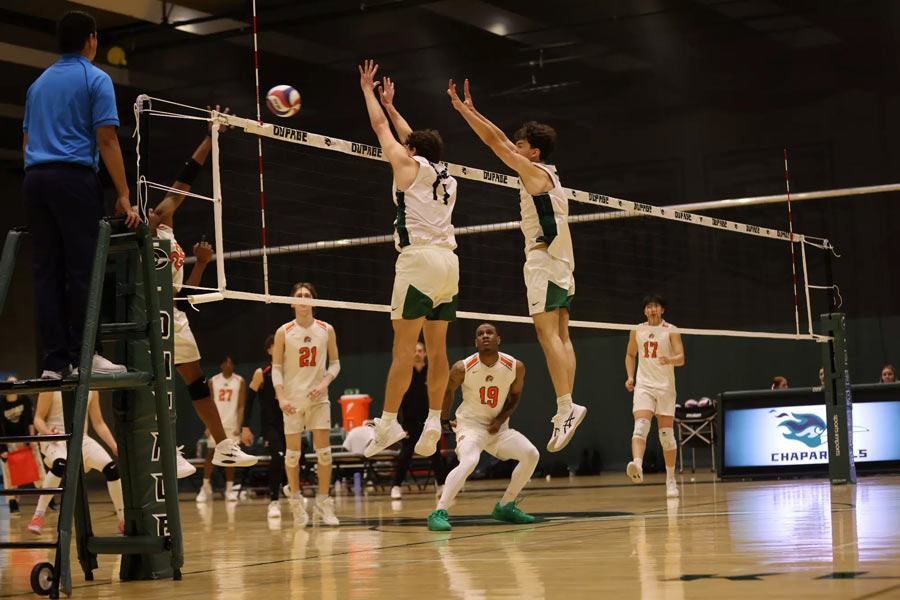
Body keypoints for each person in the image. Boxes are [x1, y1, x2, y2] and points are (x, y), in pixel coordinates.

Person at [447, 79, 586, 452]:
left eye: (521, 145)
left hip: (544, 259)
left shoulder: (535, 173)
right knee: (561, 334)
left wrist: (465, 111)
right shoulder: (551, 176)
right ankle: (567, 406)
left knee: (547, 336)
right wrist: (471, 110)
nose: (515, 149)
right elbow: (502, 142)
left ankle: (565, 406)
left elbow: (495, 143)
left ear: (534, 152)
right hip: (563, 260)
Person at [22, 10, 139, 379]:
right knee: (84, 269)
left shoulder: (37, 84)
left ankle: (56, 363)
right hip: (72, 181)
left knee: (47, 273)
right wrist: (123, 194)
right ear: (91, 39)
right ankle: (87, 355)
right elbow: (106, 139)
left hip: (35, 180)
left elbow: (26, 143)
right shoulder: (96, 78)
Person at [143, 115, 257, 473]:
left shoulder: (163, 221)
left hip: (175, 315)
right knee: (158, 385)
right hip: (153, 320)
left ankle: (224, 445)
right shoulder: (135, 245)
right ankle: (166, 451)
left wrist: (211, 137)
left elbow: (186, 179)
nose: (142, 211)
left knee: (196, 384)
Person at [357, 61, 459, 460]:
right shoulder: (448, 176)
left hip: (417, 262)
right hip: (450, 264)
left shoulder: (405, 165)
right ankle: (434, 421)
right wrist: (393, 104)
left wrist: (369, 92)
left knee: (403, 350)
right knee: (437, 350)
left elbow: (383, 130)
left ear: (413, 151)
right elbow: (410, 136)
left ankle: (387, 423)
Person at [427, 323, 539, 532]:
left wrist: (499, 420)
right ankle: (439, 511)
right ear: (475, 342)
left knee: (531, 454)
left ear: (498, 339)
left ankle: (506, 505)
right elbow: (448, 391)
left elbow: (515, 396)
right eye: (480, 334)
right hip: (470, 427)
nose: (485, 336)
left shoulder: (515, 366)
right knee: (470, 460)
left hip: (499, 429)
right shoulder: (463, 367)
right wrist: (444, 420)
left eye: (489, 333)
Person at [271, 283, 341, 527]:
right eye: (298, 296)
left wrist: (324, 384)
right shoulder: (283, 332)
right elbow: (276, 368)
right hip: (292, 400)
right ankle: (297, 505)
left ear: (314, 301)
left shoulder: (326, 329)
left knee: (324, 453)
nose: (303, 299)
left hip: (318, 399)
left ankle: (324, 503)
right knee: (292, 456)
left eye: (307, 295)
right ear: (291, 302)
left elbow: (335, 364)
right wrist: (281, 397)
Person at [27, 391, 124, 535]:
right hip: (54, 437)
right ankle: (38, 516)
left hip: (81, 439)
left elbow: (98, 423)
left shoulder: (91, 389)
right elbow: (38, 419)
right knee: (61, 464)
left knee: (111, 468)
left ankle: (123, 520)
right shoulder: (53, 383)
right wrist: (48, 432)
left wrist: (114, 445)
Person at [624, 294, 685, 498]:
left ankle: (670, 480)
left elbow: (681, 358)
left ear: (662, 310)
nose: (652, 310)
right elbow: (630, 354)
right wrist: (630, 377)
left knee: (666, 436)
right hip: (644, 386)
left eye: (656, 306)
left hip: (665, 387)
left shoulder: (671, 330)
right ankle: (638, 467)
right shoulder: (637, 330)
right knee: (641, 425)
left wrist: (670, 360)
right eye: (649, 307)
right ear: (644, 311)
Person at [390, 342, 448, 500]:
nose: (417, 353)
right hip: (409, 423)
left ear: (425, 353)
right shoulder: (405, 374)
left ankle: (442, 485)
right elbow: (400, 400)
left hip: (429, 421)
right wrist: (401, 425)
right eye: (414, 351)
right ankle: (395, 487)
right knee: (405, 456)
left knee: (435, 454)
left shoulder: (431, 373)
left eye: (420, 351)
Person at [241, 335, 289, 519]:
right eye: (277, 347)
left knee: (299, 459)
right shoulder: (262, 372)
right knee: (277, 459)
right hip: (271, 426)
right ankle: (274, 501)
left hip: (291, 423)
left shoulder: (291, 371)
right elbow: (250, 401)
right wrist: (245, 426)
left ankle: (291, 488)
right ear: (269, 349)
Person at [196, 357, 246, 503]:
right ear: (221, 364)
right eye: (226, 362)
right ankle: (205, 487)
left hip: (232, 425)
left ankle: (229, 489)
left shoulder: (240, 381)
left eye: (231, 362)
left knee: (231, 457)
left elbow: (241, 405)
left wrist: (239, 425)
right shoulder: (213, 380)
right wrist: (208, 425)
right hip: (216, 424)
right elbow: (208, 405)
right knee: (211, 454)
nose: (229, 364)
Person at [0, 377, 47, 515]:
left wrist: (32, 439)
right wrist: (2, 448)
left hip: (25, 439)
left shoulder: (25, 400)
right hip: (8, 442)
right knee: (9, 475)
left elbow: (29, 421)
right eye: (11, 384)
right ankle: (13, 503)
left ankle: (47, 499)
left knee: (38, 469)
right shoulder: (1, 404)